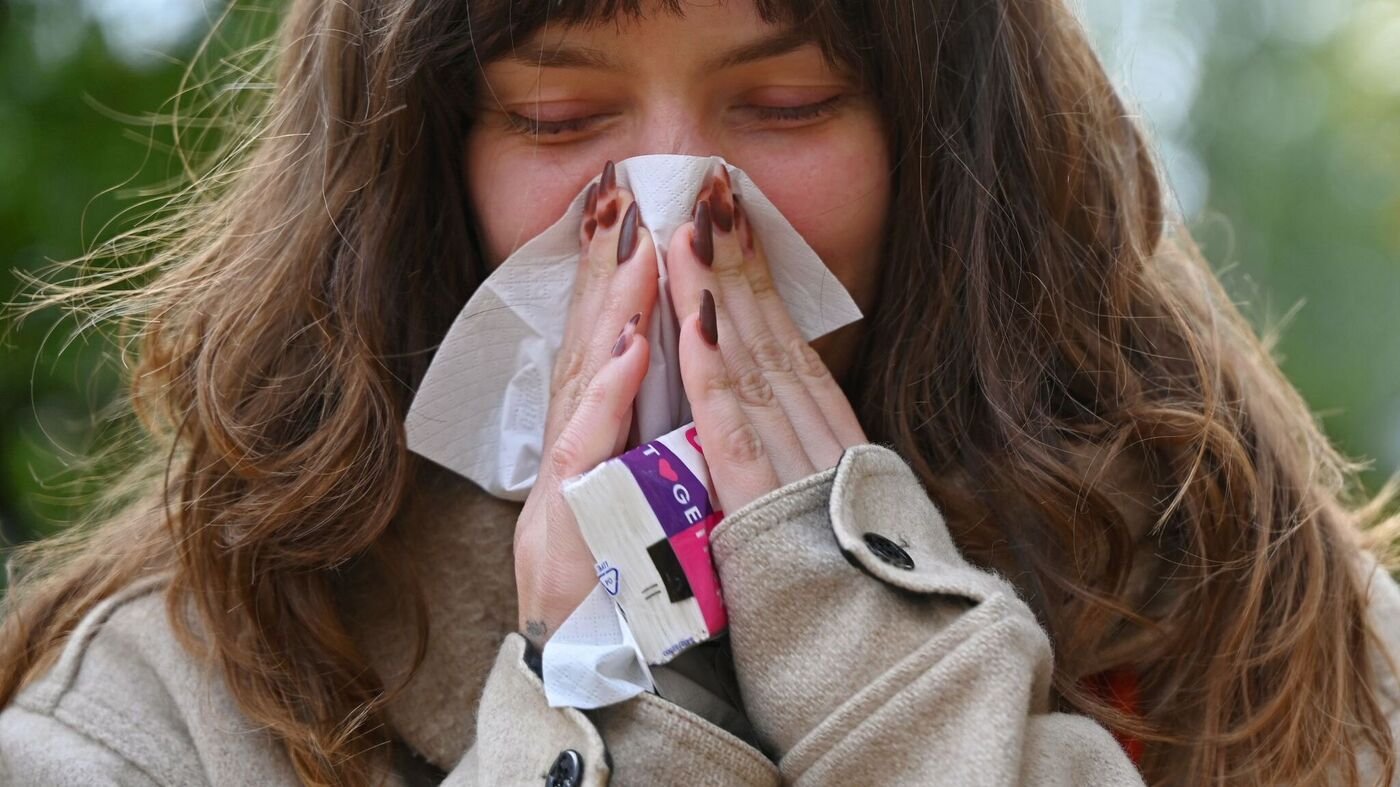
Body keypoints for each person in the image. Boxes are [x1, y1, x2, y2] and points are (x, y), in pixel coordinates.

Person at [1, 0, 1397, 784]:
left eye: (788, 105)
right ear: (421, 165)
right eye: (557, 118)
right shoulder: (157, 715)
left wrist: (890, 679)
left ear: (945, 149)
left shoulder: (1276, 632)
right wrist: (600, 690)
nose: (671, 221)